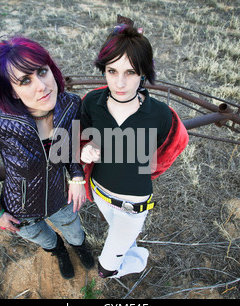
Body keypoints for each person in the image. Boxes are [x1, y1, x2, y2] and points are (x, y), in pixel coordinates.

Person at [0, 36, 94, 280]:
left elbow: (70, 147)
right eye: (25, 80)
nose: (42, 85)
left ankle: (80, 248)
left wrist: (77, 176)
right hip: (21, 209)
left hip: (62, 196)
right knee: (45, 239)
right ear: (12, 91)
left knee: (75, 232)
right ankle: (59, 252)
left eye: (42, 72)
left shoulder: (70, 105)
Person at [80, 18, 189, 279]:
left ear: (143, 73)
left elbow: (173, 146)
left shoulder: (160, 115)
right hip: (99, 193)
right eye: (112, 71)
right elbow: (81, 137)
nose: (119, 83)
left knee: (106, 269)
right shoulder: (92, 101)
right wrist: (86, 150)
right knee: (121, 240)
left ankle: (138, 260)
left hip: (132, 206)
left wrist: (147, 169)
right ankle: (128, 246)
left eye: (129, 72)